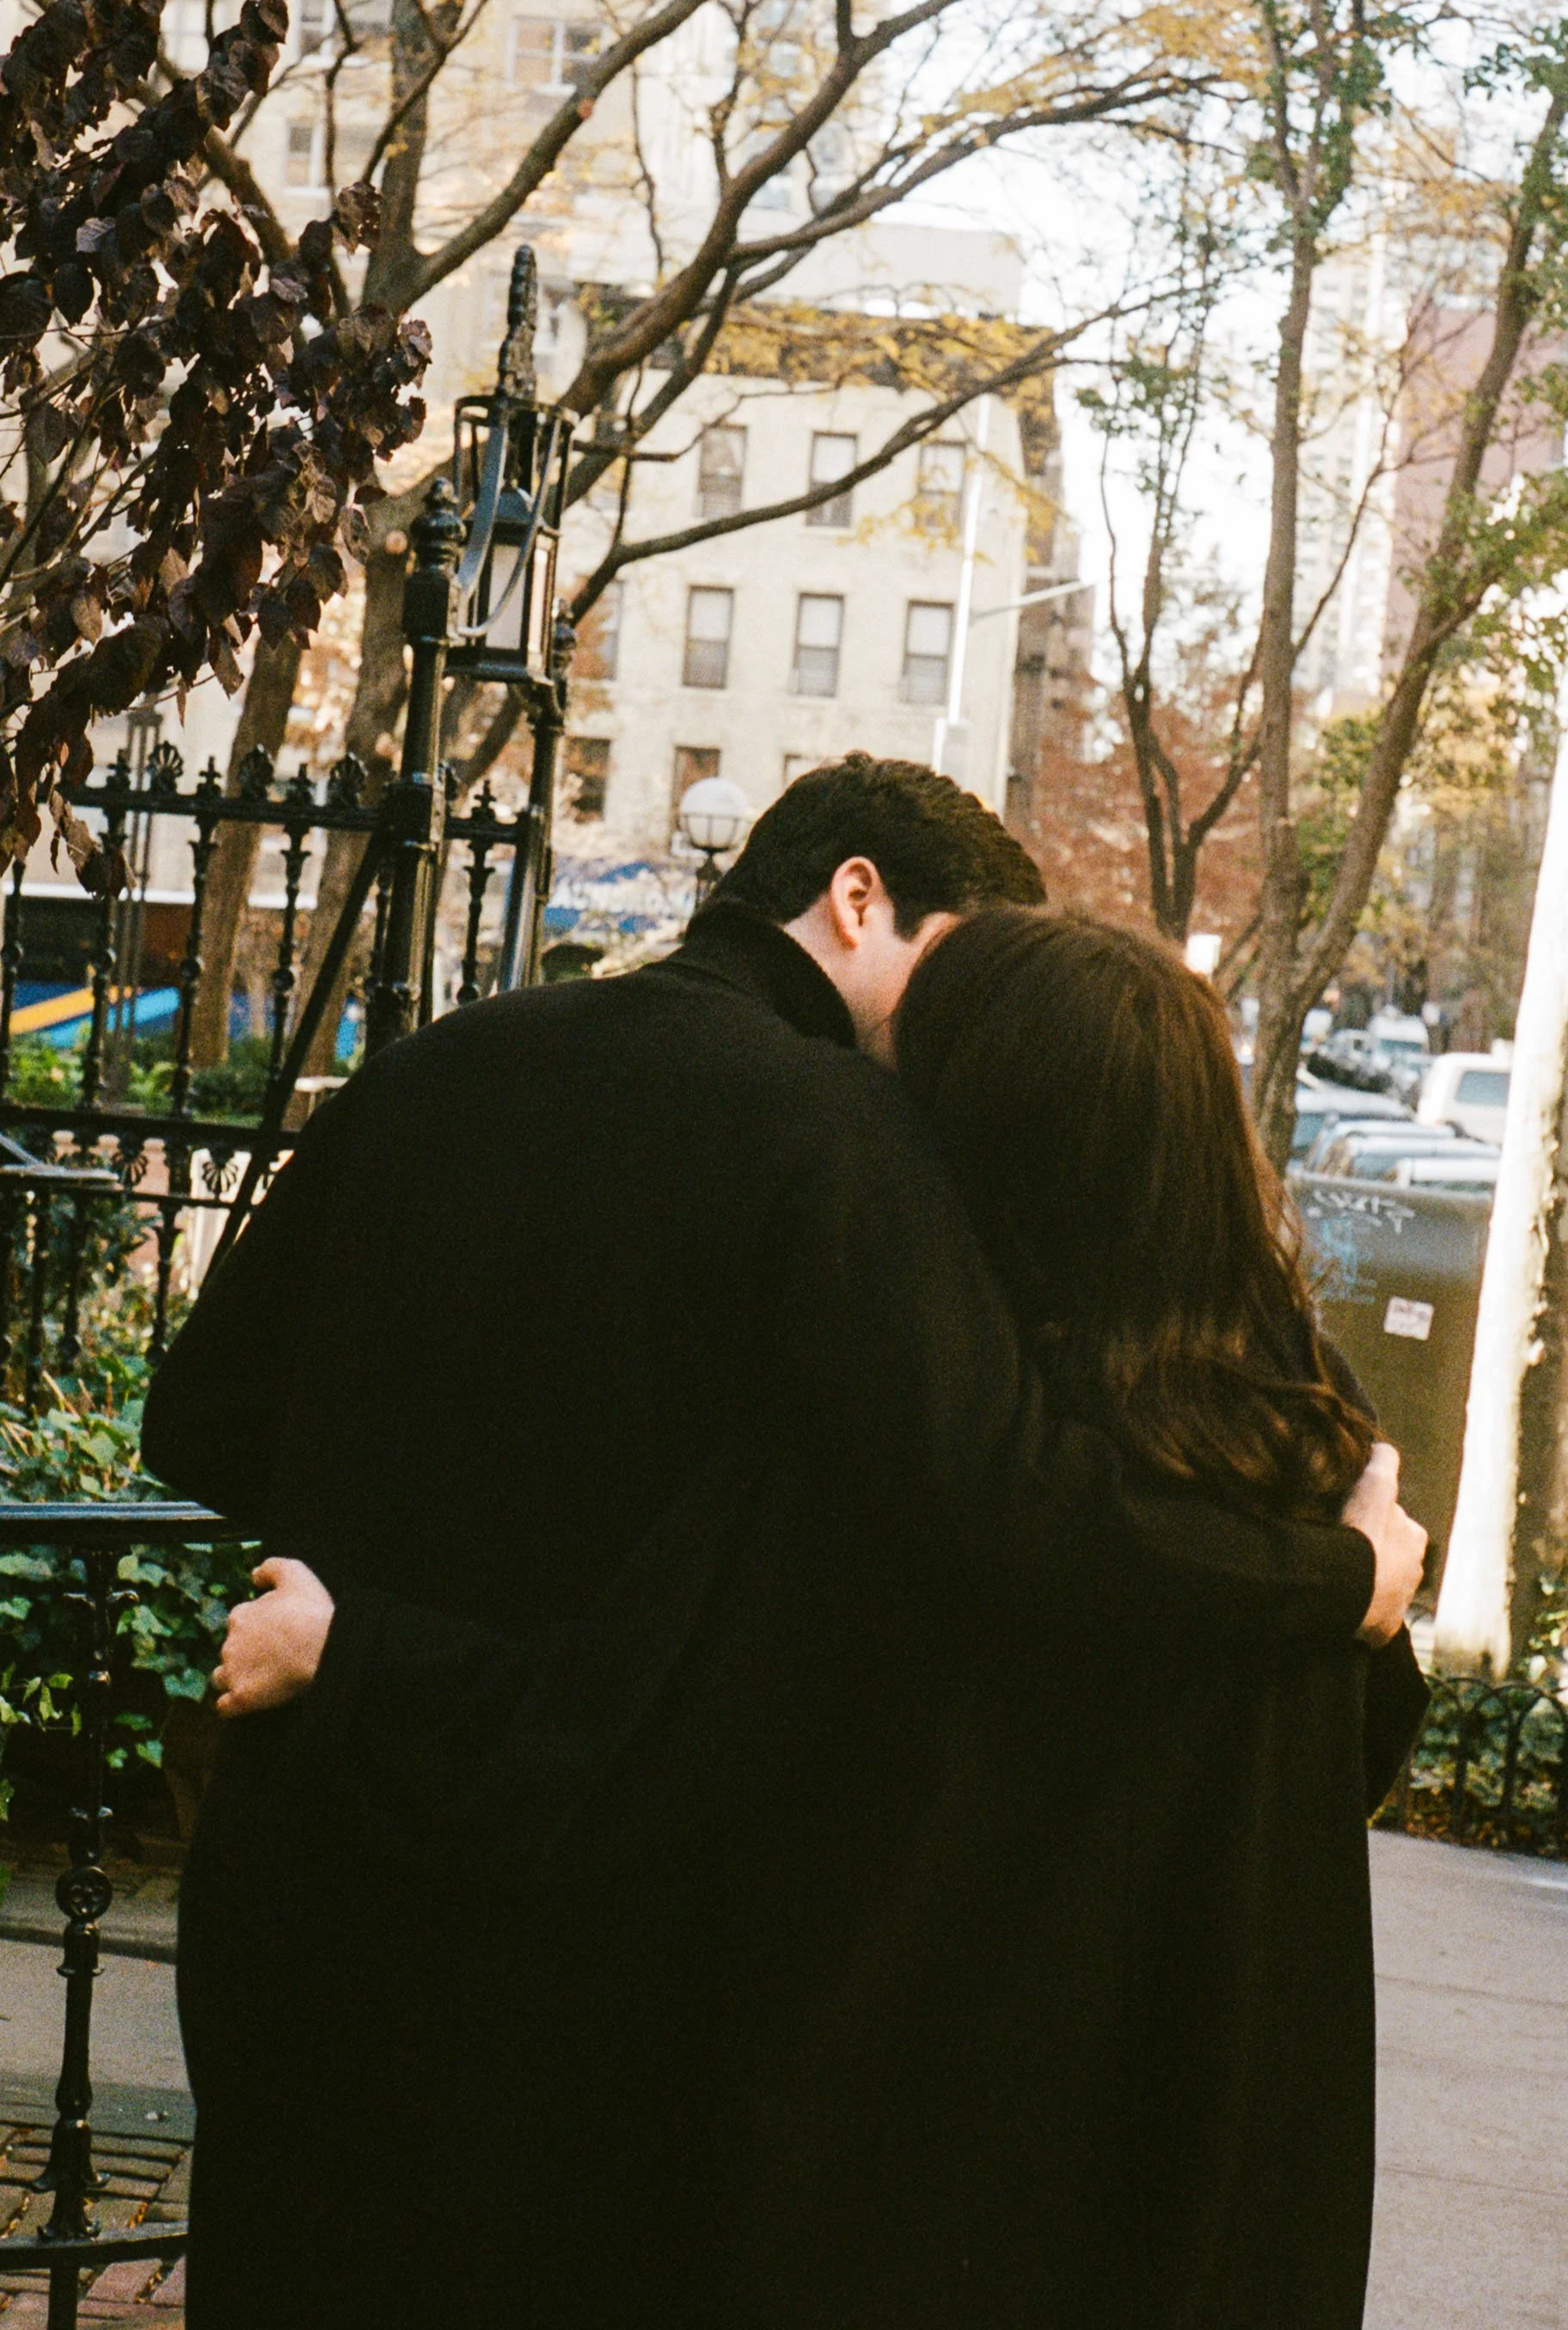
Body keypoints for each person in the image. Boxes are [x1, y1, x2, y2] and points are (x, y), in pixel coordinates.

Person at [140, 757, 1424, 2327]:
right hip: (585, 1895)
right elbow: (1011, 1499)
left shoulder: (438, 1062)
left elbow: (197, 1419)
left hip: (311, 1851)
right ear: (858, 897)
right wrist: (1344, 1578)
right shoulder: (849, 1148)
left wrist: (389, 1553)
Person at [890, 907, 1429, 2328]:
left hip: (982, 2115)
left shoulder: (985, 1431)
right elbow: (1367, 1746)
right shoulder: (1308, 1434)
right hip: (1239, 2120)